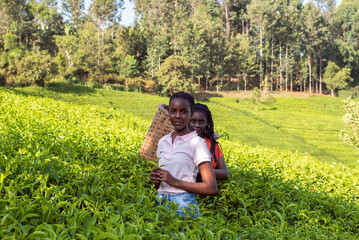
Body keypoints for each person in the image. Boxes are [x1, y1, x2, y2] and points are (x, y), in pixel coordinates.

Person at [150, 92, 217, 217]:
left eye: (183, 112)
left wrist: (174, 181)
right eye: (173, 111)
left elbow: (211, 187)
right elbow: (165, 180)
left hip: (184, 203)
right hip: (160, 200)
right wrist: (156, 180)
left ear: (191, 114)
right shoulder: (163, 141)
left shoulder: (197, 143)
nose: (177, 116)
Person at [189, 103, 228, 180]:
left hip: (208, 189)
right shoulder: (180, 142)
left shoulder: (213, 145)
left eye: (201, 122)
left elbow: (224, 173)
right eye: (193, 121)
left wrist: (201, 171)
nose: (197, 125)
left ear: (206, 122)